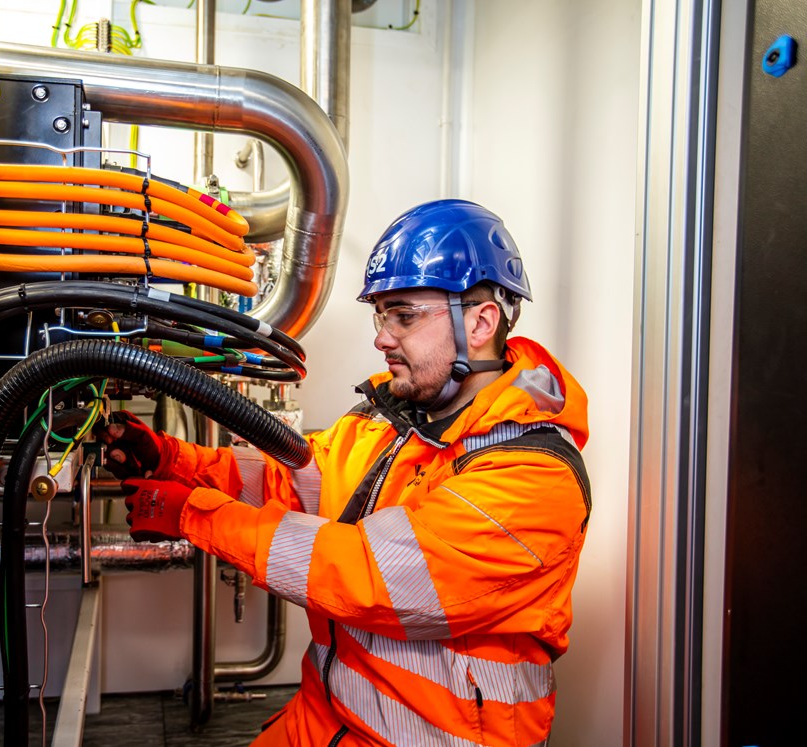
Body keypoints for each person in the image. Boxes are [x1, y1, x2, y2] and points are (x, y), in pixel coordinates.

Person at [99, 199, 592, 747]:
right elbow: (293, 480)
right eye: (380, 316)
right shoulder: (396, 424)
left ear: (480, 321)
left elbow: (365, 574)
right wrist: (172, 459)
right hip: (330, 711)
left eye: (403, 315)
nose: (382, 337)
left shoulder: (533, 478)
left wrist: (190, 514)